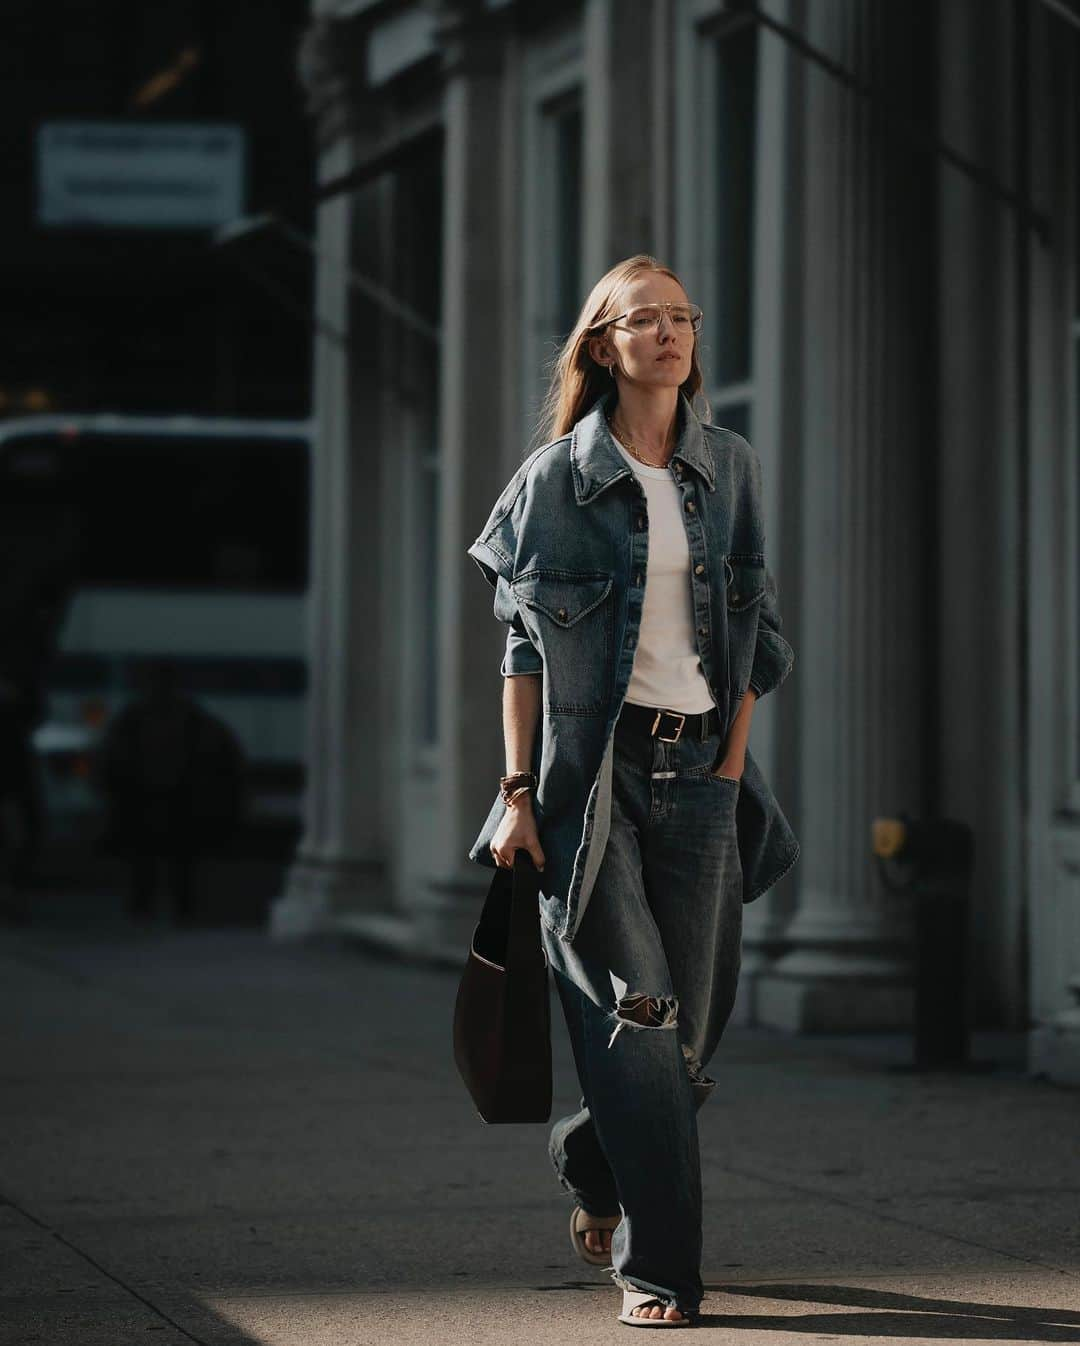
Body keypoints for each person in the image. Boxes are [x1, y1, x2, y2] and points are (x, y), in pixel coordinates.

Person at [464, 255, 799, 1328]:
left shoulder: (731, 468)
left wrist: (733, 764)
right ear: (602, 345)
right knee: (640, 1020)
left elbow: (759, 638)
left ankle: (588, 1152)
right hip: (591, 786)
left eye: (683, 316)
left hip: (703, 778)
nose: (670, 332)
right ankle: (661, 1271)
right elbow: (521, 649)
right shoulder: (553, 481)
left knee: (686, 1041)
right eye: (644, 318)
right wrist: (517, 790)